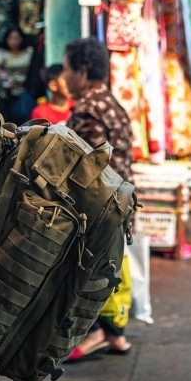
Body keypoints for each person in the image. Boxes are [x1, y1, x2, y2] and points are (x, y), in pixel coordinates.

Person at [62, 38, 134, 361]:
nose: (64, 77)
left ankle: (96, 332)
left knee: (91, 270)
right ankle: (115, 334)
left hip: (100, 206)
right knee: (112, 267)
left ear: (82, 71)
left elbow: (88, 167)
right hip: (121, 201)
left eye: (67, 70)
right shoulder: (110, 101)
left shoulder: (87, 108)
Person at [0, 27, 37, 124]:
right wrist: (5, 77)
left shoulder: (29, 52)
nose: (14, 42)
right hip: (8, 92)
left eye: (16, 38)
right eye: (11, 38)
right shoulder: (2, 54)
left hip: (25, 89)